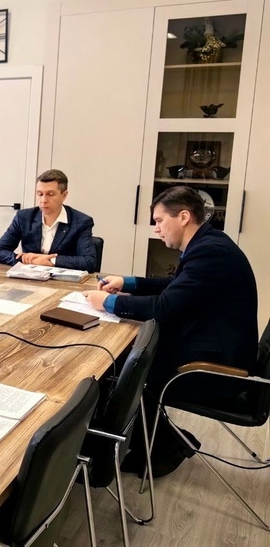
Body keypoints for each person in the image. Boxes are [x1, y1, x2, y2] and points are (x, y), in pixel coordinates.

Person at [84, 186, 258, 476]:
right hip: (213, 347)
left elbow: (164, 307)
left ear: (184, 217)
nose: (156, 229)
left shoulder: (210, 252)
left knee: (128, 368)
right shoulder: (208, 243)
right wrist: (129, 283)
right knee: (129, 359)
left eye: (159, 220)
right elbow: (176, 287)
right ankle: (150, 441)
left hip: (217, 370)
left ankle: (158, 448)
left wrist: (108, 303)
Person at [0, 169, 96, 271]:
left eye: (50, 194)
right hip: (29, 277)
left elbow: (89, 262)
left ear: (64, 195)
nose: (43, 200)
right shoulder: (24, 217)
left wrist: (50, 261)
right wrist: (27, 259)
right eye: (40, 194)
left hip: (62, 280)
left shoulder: (81, 222)